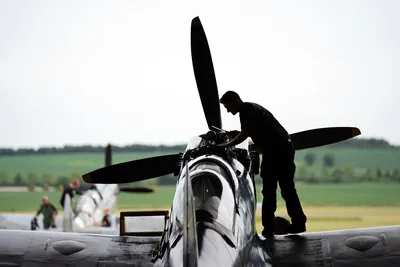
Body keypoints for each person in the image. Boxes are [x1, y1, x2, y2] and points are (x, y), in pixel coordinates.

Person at [217, 90, 307, 238]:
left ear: (235, 101)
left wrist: (224, 146)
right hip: (283, 149)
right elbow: (253, 131)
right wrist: (236, 134)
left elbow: (245, 134)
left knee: (269, 190)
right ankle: (298, 223)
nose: (227, 110)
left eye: (228, 107)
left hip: (275, 152)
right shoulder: (253, 108)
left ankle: (269, 228)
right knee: (287, 189)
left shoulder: (245, 111)